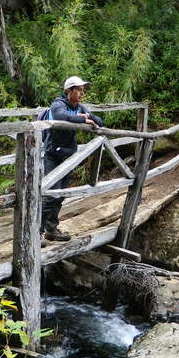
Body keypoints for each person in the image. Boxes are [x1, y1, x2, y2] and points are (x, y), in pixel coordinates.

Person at [40, 75, 103, 241]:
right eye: (79, 90)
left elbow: (99, 121)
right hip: (52, 153)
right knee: (50, 194)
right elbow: (62, 116)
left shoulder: (81, 107)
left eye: (83, 90)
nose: (82, 93)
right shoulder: (58, 104)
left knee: (61, 194)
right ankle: (35, 233)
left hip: (68, 154)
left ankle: (51, 230)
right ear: (69, 91)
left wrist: (89, 118)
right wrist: (83, 119)